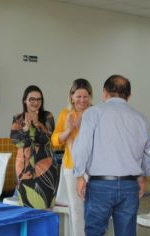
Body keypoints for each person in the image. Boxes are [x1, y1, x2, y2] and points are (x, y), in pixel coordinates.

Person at [72, 75, 150, 236]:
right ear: (128, 96)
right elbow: (148, 152)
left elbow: (82, 147)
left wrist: (79, 176)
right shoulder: (141, 119)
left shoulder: (93, 113)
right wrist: (143, 177)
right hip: (130, 187)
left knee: (94, 232)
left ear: (104, 93)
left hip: (100, 187)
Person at [51, 78, 93, 236]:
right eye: (78, 96)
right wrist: (69, 129)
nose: (82, 100)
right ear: (71, 97)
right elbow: (55, 140)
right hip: (72, 167)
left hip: (93, 168)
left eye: (85, 96)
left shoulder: (95, 113)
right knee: (76, 210)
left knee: (94, 209)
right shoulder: (65, 114)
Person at [10, 85, 58, 209]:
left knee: (46, 206)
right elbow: (16, 142)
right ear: (25, 100)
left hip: (46, 165)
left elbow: (47, 140)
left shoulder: (47, 116)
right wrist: (26, 129)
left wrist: (37, 124)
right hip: (24, 166)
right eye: (32, 99)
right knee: (26, 206)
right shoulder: (18, 118)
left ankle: (46, 229)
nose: (36, 102)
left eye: (39, 99)